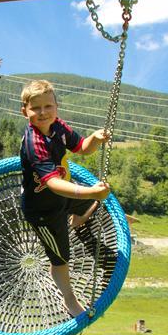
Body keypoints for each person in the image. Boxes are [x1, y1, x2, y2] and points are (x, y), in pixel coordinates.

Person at [19, 79, 111, 316]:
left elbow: (82, 147)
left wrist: (95, 139)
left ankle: (79, 217)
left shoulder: (58, 127)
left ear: (56, 107)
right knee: (61, 258)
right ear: (25, 111)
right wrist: (90, 190)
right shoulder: (34, 142)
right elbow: (53, 184)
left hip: (64, 197)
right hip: (43, 211)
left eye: (48, 106)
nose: (43, 113)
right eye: (35, 108)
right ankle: (69, 300)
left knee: (99, 201)